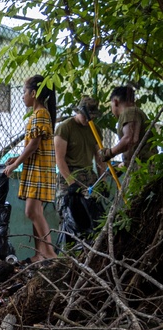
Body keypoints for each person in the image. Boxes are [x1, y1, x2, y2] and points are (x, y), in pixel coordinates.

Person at [3, 76, 56, 261]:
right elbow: (34, 146)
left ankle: (49, 254)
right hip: (36, 168)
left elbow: (33, 145)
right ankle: (39, 254)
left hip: (39, 170)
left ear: (34, 93)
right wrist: (16, 158)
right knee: (36, 212)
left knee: (31, 212)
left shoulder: (41, 114)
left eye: (24, 92)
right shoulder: (38, 114)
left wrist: (16, 165)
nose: (22, 96)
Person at [54, 97, 105, 242]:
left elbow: (100, 157)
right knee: (69, 216)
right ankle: (67, 255)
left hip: (89, 178)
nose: (88, 119)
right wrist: (71, 183)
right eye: (85, 115)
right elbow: (60, 159)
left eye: (92, 116)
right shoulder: (65, 127)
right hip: (69, 177)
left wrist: (103, 181)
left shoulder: (95, 129)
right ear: (78, 112)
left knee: (94, 219)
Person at [98, 85, 156, 167]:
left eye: (111, 105)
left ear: (115, 102)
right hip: (142, 166)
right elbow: (135, 147)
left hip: (143, 168)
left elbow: (130, 139)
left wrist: (109, 153)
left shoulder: (129, 111)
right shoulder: (135, 113)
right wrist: (123, 165)